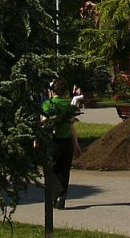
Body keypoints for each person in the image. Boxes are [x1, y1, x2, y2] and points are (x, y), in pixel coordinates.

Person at [42, 79, 82, 209]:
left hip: (54, 141)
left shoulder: (48, 104)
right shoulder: (68, 105)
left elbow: (44, 121)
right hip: (67, 141)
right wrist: (76, 145)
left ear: (52, 91)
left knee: (51, 170)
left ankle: (58, 194)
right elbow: (71, 127)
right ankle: (61, 198)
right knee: (64, 171)